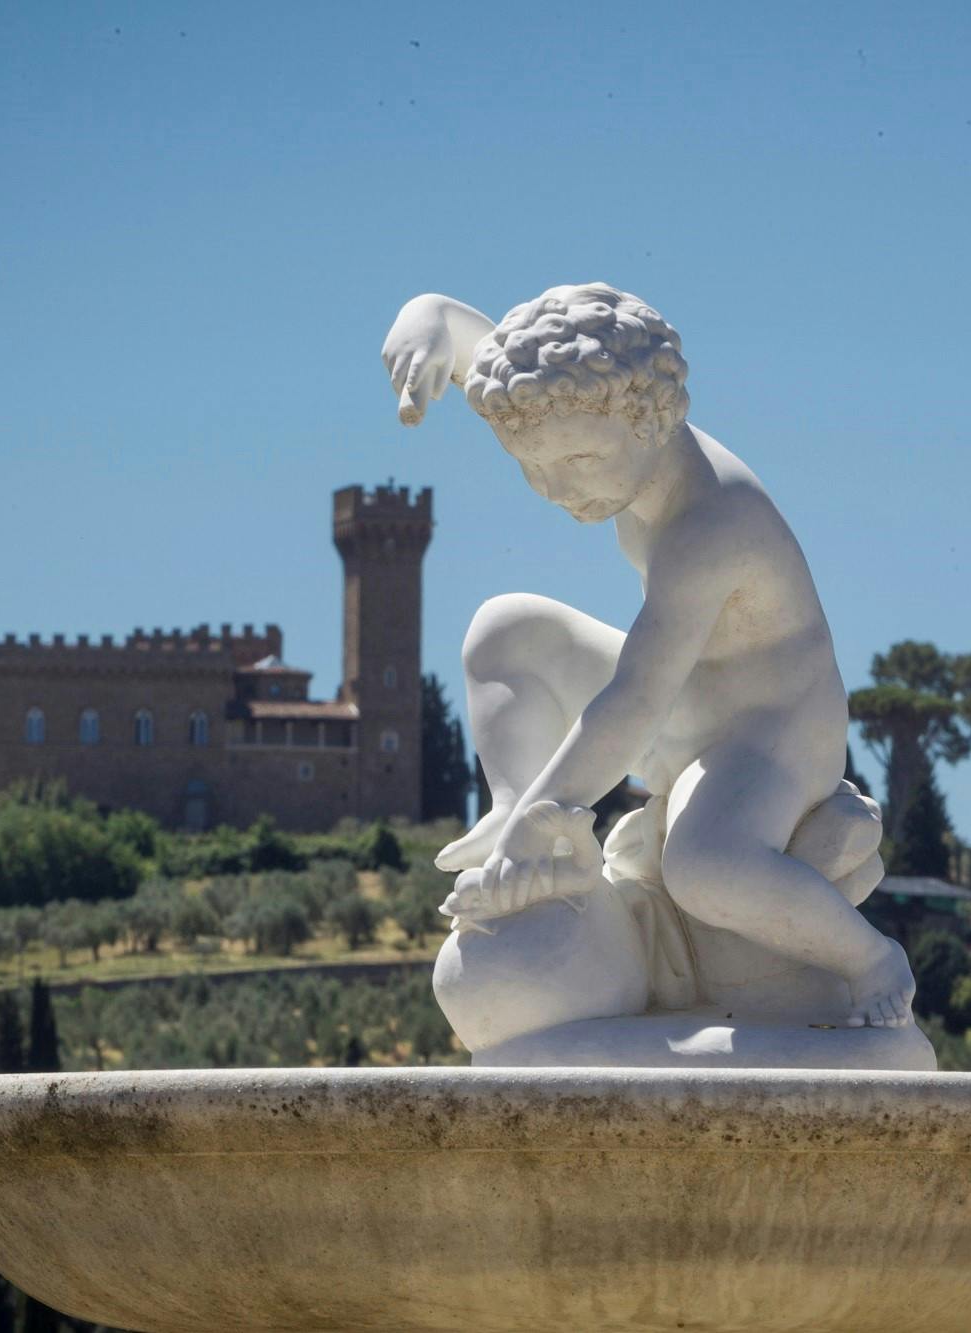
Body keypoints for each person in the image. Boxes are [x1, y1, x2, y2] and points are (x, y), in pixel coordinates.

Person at [384, 283, 914, 1029]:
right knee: (504, 629)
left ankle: (871, 959)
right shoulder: (604, 424)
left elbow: (632, 702)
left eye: (575, 460)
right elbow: (505, 370)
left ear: (649, 417)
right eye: (533, 468)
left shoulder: (711, 523)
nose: (558, 489)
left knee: (704, 868)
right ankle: (517, 810)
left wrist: (553, 803)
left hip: (767, 736)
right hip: (684, 696)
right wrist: (433, 315)